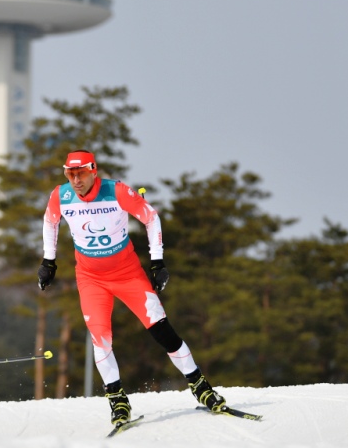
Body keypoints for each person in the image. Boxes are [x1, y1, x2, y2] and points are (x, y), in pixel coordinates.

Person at [37, 150, 226, 425]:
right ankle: (118, 401)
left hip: (127, 274)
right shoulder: (61, 196)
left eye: (80, 174)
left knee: (163, 330)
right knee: (101, 338)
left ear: (93, 170)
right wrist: (48, 261)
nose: (75, 180)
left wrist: (158, 261)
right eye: (69, 174)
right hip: (91, 279)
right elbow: (49, 222)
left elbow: (151, 218)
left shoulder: (117, 191)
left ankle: (201, 388)